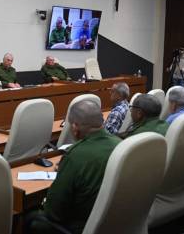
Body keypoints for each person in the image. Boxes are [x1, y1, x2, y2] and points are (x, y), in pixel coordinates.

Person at [27, 100, 121, 234]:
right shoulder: (121, 144)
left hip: (82, 225)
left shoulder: (75, 155)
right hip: (114, 221)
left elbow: (53, 212)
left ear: (75, 128)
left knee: (32, 218)